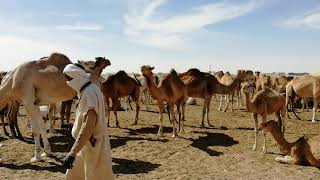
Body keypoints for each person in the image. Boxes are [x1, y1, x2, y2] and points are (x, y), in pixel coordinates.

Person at [62, 63, 114, 180]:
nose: (68, 82)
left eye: (69, 79)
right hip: (84, 146)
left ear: (77, 77)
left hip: (91, 146)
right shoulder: (90, 89)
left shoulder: (88, 93)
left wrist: (72, 153)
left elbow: (88, 126)